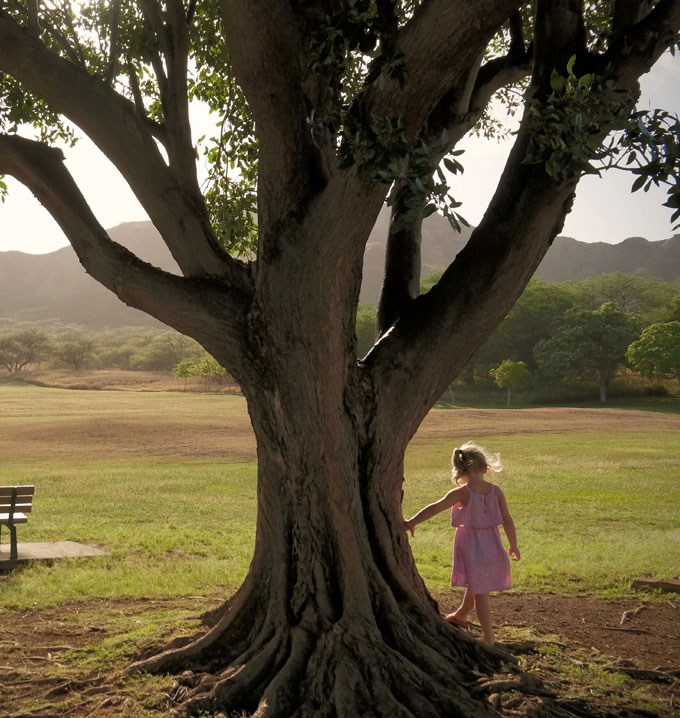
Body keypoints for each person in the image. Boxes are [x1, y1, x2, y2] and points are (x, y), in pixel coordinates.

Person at [404, 441, 520, 645]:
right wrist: (513, 545)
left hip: (472, 547)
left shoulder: (462, 492)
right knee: (476, 584)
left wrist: (412, 522)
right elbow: (508, 520)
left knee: (480, 592)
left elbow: (435, 508)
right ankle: (461, 615)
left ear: (459, 471)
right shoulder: (496, 491)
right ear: (485, 468)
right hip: (493, 545)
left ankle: (489, 639)